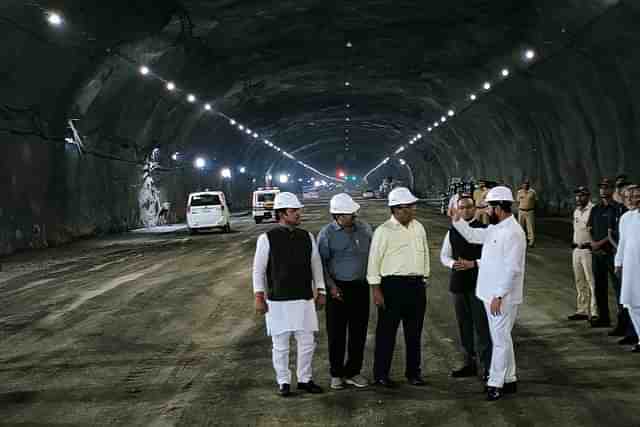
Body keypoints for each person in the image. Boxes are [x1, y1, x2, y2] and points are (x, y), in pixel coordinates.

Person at [452, 186, 526, 401]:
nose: (485, 212)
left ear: (499, 207)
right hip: (489, 293)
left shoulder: (514, 233)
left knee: (499, 341)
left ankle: (495, 383)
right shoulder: (496, 227)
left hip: (500, 297)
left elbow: (513, 268)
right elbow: (474, 235)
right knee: (504, 339)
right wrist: (457, 220)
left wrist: (499, 295)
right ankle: (510, 378)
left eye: (488, 207)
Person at [252, 192, 326, 397]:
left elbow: (316, 265)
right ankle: (283, 381)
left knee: (307, 343)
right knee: (281, 345)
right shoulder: (266, 238)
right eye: (293, 211)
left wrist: (321, 290)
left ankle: (305, 379)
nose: (298, 214)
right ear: (281, 214)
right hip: (277, 301)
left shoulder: (307, 236)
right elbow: (258, 270)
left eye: (298, 210)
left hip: (304, 298)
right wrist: (259, 296)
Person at [367, 187, 430, 387]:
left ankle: (413, 373)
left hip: (416, 285)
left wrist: (424, 278)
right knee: (387, 333)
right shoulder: (383, 231)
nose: (412, 210)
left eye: (412, 207)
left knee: (414, 332)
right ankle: (381, 374)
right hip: (391, 286)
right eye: (408, 207)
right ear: (396, 209)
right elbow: (373, 261)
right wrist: (376, 289)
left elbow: (425, 253)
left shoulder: (418, 227)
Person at [317, 193, 372, 390]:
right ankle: (336, 373)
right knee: (336, 333)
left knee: (359, 332)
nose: (354, 216)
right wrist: (330, 287)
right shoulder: (326, 234)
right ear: (338, 216)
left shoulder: (365, 229)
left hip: (360, 287)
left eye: (354, 212)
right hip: (337, 289)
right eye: (350, 214)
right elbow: (321, 264)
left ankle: (353, 372)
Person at [440, 195, 492, 380]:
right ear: (457, 209)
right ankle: (469, 364)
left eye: (469, 207)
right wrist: (453, 264)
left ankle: (487, 368)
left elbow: (492, 257)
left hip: (479, 284)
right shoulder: (452, 230)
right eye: (462, 208)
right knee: (464, 327)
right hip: (459, 284)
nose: (466, 211)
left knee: (482, 327)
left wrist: (474, 263)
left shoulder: (485, 230)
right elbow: (444, 255)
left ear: (475, 208)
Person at [588, 178, 626, 331]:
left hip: (611, 253)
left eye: (607, 187)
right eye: (601, 187)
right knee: (599, 287)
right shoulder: (596, 209)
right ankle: (604, 318)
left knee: (618, 290)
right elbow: (589, 227)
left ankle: (623, 324)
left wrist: (599, 243)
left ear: (612, 190)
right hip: (597, 254)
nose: (603, 190)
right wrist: (592, 243)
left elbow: (616, 233)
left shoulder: (618, 209)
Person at [615, 185, 640, 352]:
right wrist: (618, 263)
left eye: (635, 196)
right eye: (627, 197)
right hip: (630, 267)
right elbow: (622, 243)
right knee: (631, 303)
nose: (630, 200)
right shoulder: (625, 218)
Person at [568, 186, 597, 321]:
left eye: (582, 195)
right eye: (577, 196)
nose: (579, 198)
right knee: (580, 281)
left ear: (588, 196)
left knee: (591, 281)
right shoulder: (576, 211)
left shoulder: (593, 210)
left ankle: (595, 311)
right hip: (576, 250)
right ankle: (582, 310)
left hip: (587, 250)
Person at [517, 180, 537, 248]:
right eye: (524, 184)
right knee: (520, 227)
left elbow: (536, 201)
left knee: (530, 227)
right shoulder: (519, 192)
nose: (525, 185)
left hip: (530, 211)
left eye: (526, 184)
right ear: (522, 185)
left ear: (529, 185)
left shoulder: (533, 192)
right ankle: (521, 241)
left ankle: (531, 242)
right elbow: (518, 201)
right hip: (521, 211)